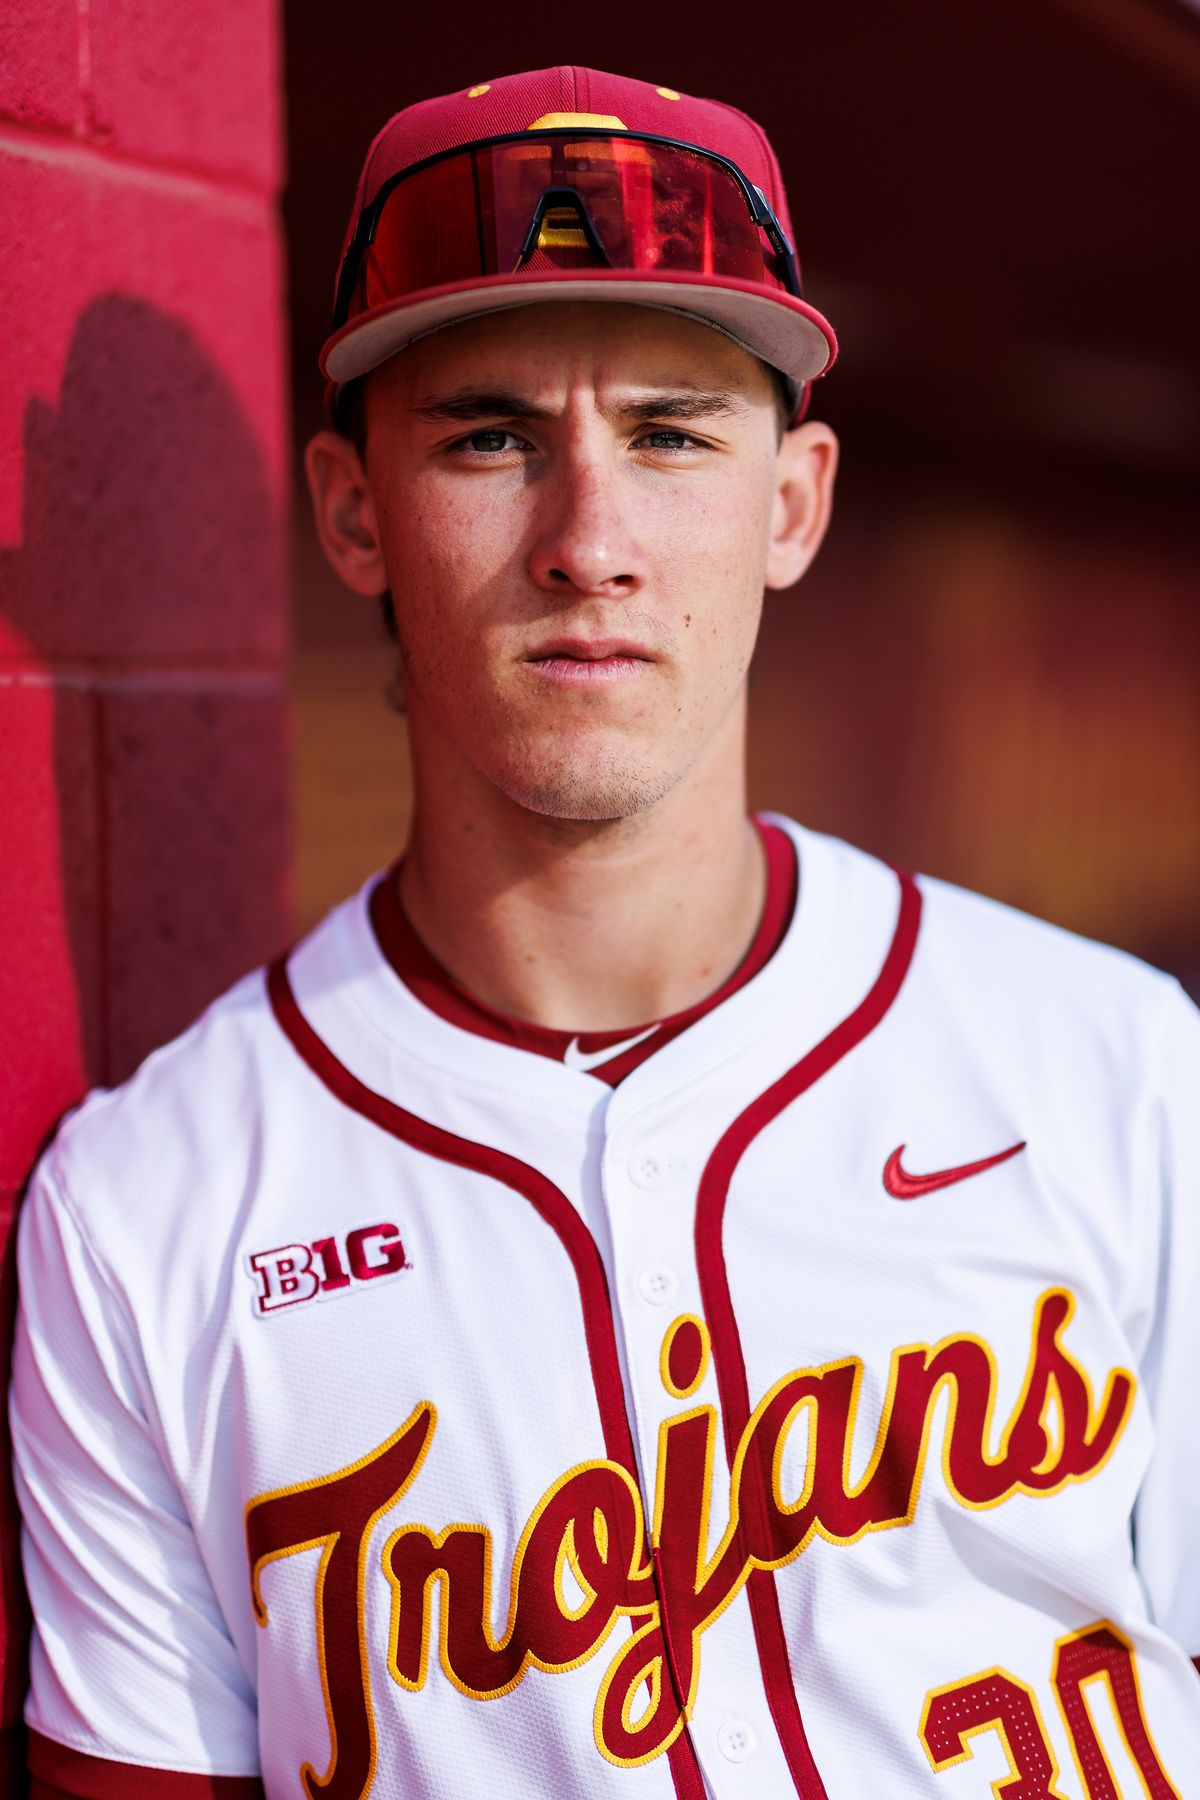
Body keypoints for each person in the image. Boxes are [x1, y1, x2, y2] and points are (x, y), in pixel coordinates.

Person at [9, 63, 1200, 1800]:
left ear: (791, 503)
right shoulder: (144, 1219)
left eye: (670, 432)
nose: (590, 542)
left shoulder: (1124, 1070)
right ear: (355, 514)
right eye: (490, 435)